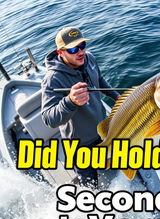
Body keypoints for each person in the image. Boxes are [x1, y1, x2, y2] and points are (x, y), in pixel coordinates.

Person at [41, 27, 119, 187]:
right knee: (90, 188)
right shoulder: (53, 80)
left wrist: (118, 98)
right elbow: (49, 119)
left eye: (82, 45)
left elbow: (100, 80)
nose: (80, 52)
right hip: (79, 145)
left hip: (103, 131)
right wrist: (70, 101)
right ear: (60, 52)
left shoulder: (89, 58)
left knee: (113, 165)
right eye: (73, 49)